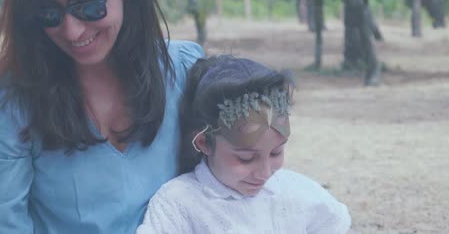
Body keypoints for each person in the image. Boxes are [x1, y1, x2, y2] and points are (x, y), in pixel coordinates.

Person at [0, 0, 203, 233]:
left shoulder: (185, 69)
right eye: (48, 13)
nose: (72, 31)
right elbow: (0, 226)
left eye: (88, 6)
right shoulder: (7, 107)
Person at [136, 55, 352, 234]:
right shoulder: (179, 203)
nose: (264, 172)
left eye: (276, 153)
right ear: (204, 142)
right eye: (246, 158)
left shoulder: (299, 193)